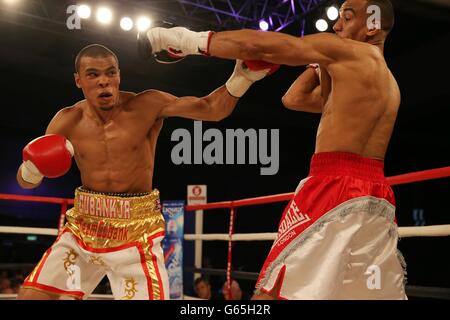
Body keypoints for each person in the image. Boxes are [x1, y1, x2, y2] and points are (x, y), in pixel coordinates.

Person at [144, 0, 407, 299]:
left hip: (332, 187)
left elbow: (258, 45)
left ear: (372, 25)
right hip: (376, 197)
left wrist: (187, 40)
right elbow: (294, 98)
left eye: (346, 18)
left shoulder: (349, 52)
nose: (336, 27)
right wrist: (319, 62)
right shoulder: (386, 82)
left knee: (272, 291)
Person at [15, 44, 276, 300]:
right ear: (78, 80)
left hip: (135, 232)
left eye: (111, 72)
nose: (104, 81)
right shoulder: (67, 119)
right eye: (93, 74)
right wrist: (32, 169)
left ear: (119, 75)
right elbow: (26, 182)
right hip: (84, 228)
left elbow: (211, 109)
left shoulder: (146, 105)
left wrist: (242, 78)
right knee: (32, 295)